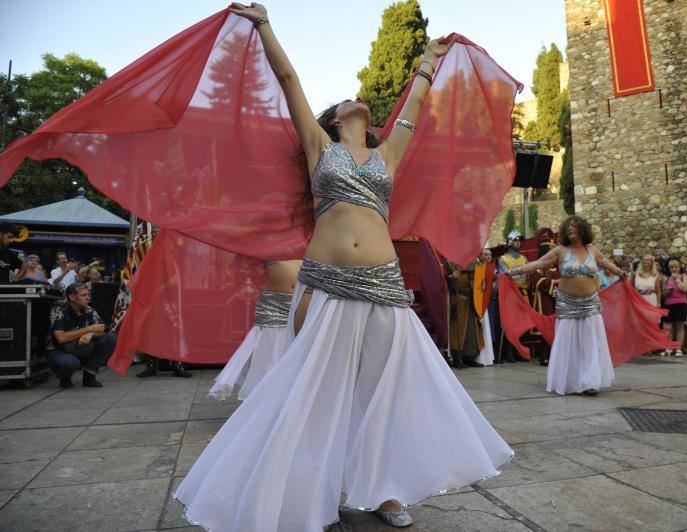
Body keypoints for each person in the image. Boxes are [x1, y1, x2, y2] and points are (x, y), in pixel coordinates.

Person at [175, 5, 513, 531]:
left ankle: (384, 489)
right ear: (336, 117)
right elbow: (288, 78)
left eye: (367, 100)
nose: (362, 97)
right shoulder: (318, 148)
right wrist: (263, 24)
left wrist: (428, 60)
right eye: (350, 99)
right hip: (325, 285)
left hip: (382, 285)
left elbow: (416, 107)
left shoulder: (389, 155)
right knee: (314, 389)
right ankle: (312, 487)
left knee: (383, 391)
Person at [507, 215, 624, 396]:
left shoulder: (592, 250)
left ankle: (590, 381)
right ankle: (570, 380)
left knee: (591, 343)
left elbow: (605, 262)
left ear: (583, 230)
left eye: (574, 226)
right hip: (567, 303)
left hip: (591, 302)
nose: (570, 229)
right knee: (568, 343)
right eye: (567, 227)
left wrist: (619, 272)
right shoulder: (560, 251)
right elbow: (539, 263)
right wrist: (515, 271)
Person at [209, 260, 302, 400]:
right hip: (275, 301)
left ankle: (287, 400)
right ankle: (265, 400)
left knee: (297, 349)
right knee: (270, 348)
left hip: (306, 294)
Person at [47, 283, 117, 388]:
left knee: (110, 338)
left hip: (80, 347)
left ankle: (89, 374)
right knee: (70, 363)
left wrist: (91, 333)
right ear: (72, 297)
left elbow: (104, 328)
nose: (88, 298)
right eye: (84, 295)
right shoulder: (59, 309)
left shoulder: (88, 309)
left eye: (88, 294)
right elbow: (61, 338)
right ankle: (65, 377)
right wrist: (88, 329)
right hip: (59, 350)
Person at [495, 231, 529, 362]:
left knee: (522, 323)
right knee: (509, 324)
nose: (518, 243)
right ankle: (508, 353)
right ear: (509, 242)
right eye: (515, 240)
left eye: (520, 240)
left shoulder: (524, 259)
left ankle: (519, 351)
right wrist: (521, 272)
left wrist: (519, 273)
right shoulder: (503, 259)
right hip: (510, 295)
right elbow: (507, 276)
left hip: (522, 294)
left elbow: (525, 275)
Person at [660, 259, 687, 356]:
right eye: (671, 267)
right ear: (668, 268)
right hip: (668, 304)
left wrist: (677, 280)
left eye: (676, 266)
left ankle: (678, 348)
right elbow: (663, 294)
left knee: (680, 326)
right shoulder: (665, 278)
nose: (674, 269)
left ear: (679, 267)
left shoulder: (684, 276)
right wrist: (667, 293)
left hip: (681, 304)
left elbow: (685, 289)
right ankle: (668, 347)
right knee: (668, 327)